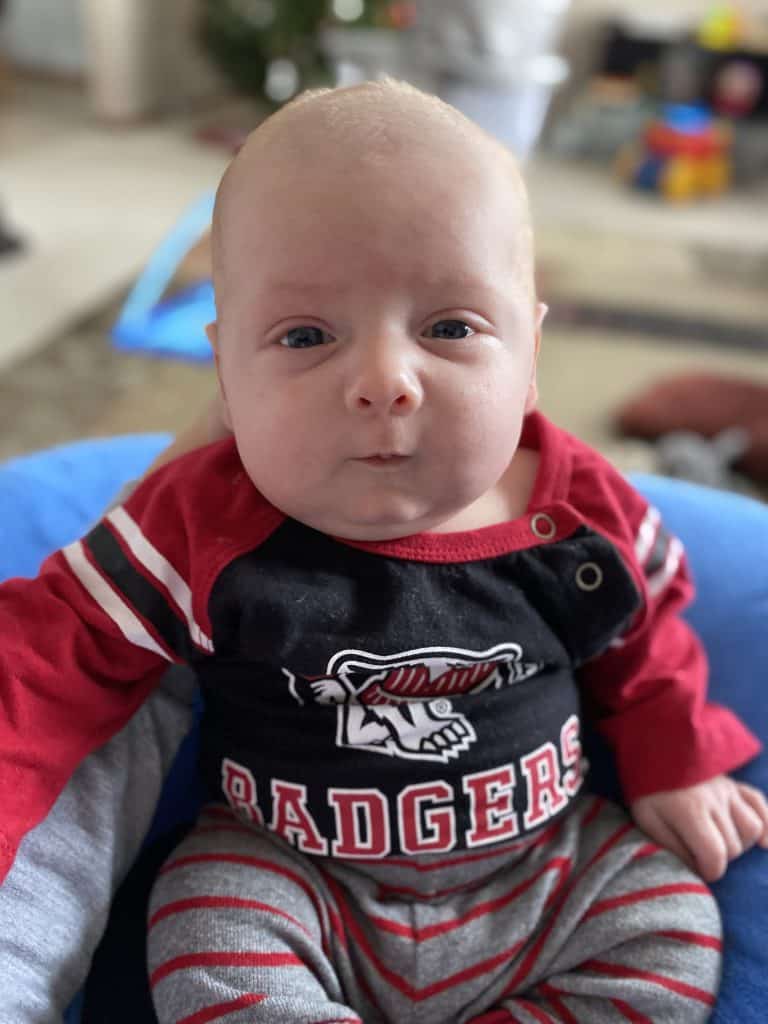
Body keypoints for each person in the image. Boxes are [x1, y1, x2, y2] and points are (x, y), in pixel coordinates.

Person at [1, 79, 767, 1024]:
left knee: (673, 925)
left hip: (546, 875)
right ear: (228, 376)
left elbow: (644, 635)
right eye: (306, 336)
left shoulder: (574, 511)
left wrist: (676, 756)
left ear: (529, 355)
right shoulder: (200, 522)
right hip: (293, 878)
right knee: (201, 929)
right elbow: (46, 657)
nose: (383, 381)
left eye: (449, 327)